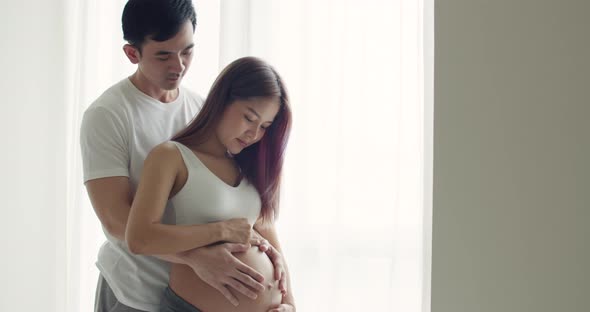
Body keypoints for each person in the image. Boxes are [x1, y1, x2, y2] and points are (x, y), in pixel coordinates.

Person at [81, 1, 281, 311]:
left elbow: (239, 200)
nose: (179, 66)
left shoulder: (204, 111)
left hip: (191, 296)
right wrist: (196, 258)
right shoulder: (108, 115)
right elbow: (118, 222)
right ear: (133, 54)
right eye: (163, 55)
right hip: (135, 291)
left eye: (187, 51)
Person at [125, 56, 296, 312]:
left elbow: (275, 252)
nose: (254, 134)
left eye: (264, 127)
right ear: (222, 101)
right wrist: (222, 231)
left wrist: (290, 304)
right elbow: (139, 238)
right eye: (249, 118)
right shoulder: (171, 157)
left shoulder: (250, 170)